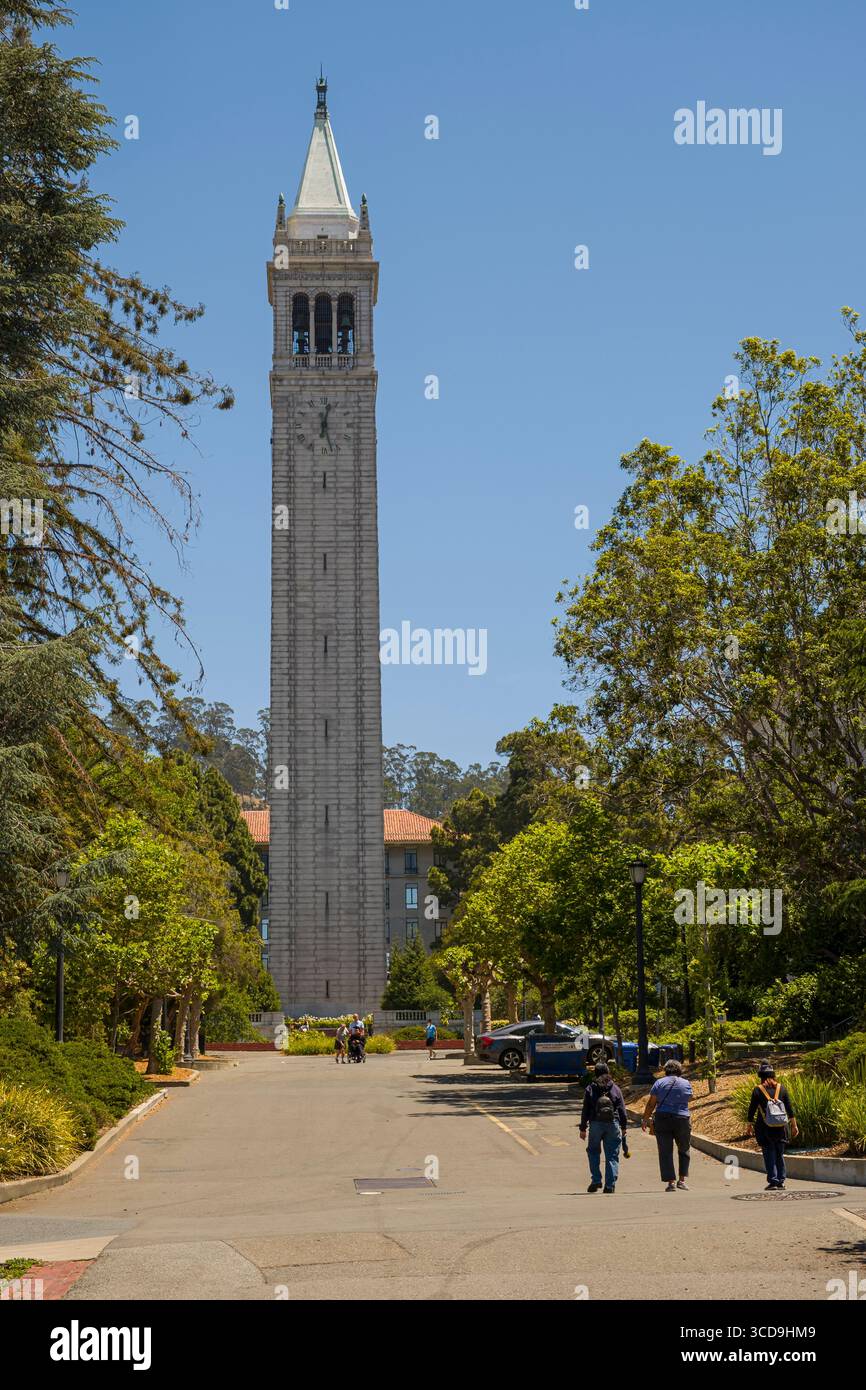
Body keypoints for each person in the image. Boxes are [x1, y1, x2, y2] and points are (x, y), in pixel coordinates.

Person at [746, 1060, 798, 1190]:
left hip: (765, 1127)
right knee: (779, 1153)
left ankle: (773, 1181)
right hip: (781, 1127)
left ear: (761, 1076)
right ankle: (781, 1180)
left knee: (769, 1153)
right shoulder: (782, 1088)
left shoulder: (758, 1090)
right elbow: (789, 1109)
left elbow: (751, 1109)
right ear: (773, 1075)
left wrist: (749, 1125)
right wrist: (794, 1125)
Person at [643, 1058, 693, 1191]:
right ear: (679, 1070)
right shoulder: (686, 1083)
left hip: (662, 1119)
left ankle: (671, 1182)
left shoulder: (659, 1083)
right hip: (682, 1118)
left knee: (665, 1151)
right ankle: (682, 1180)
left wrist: (645, 1119)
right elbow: (689, 1098)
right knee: (684, 1149)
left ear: (666, 1070)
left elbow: (651, 1103)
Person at [579, 1061, 628, 1194]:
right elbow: (622, 1110)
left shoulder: (590, 1088)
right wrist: (624, 1127)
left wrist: (583, 1128)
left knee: (593, 1152)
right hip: (613, 1124)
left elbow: (585, 1110)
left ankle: (596, 1180)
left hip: (595, 1124)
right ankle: (610, 1185)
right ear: (608, 1072)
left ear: (595, 1073)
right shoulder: (615, 1089)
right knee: (612, 1154)